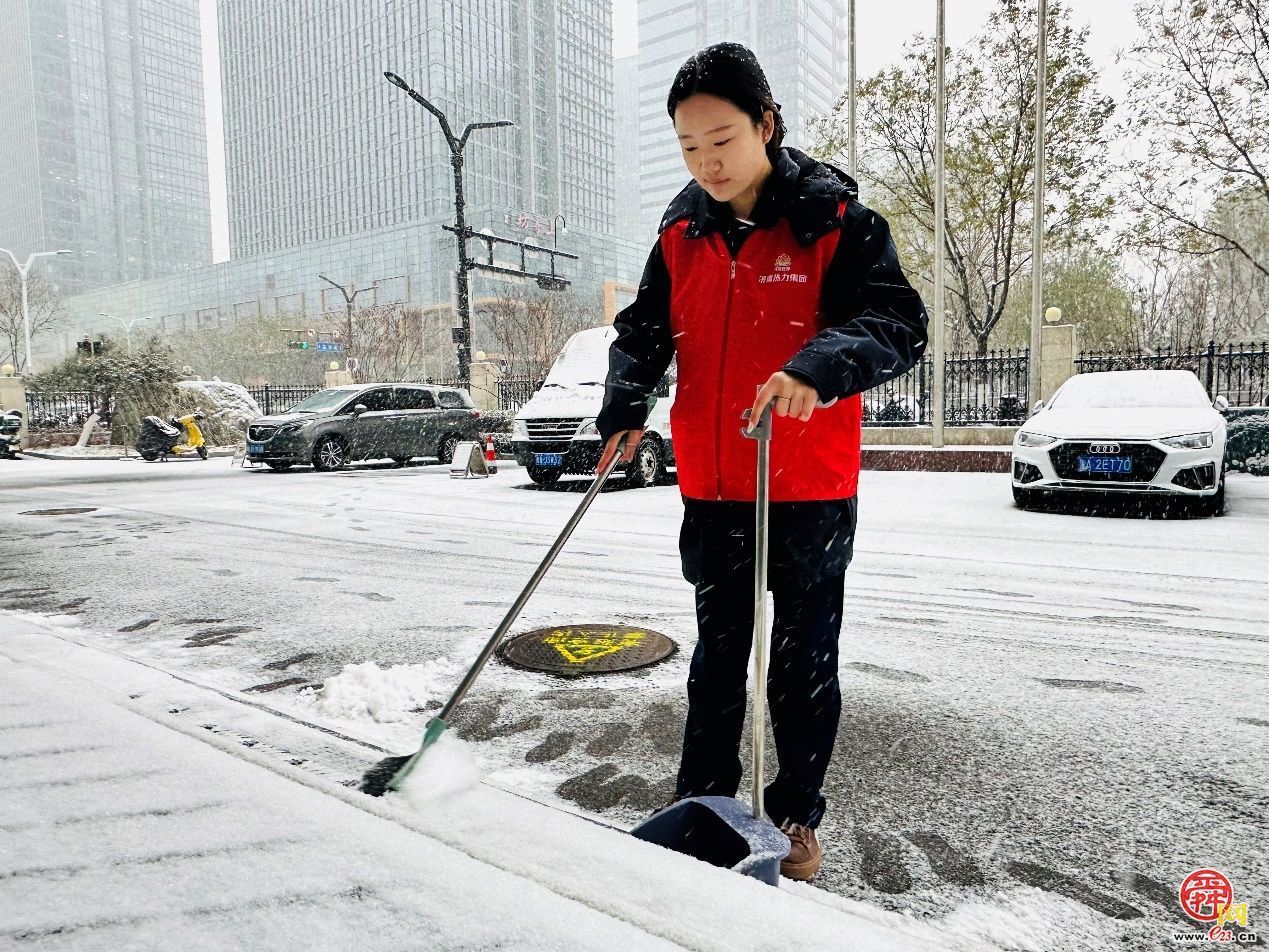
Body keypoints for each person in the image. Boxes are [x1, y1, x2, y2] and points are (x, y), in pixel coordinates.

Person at [594, 42, 928, 881]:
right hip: (712, 484)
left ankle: (794, 816)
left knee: (800, 669)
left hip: (805, 485)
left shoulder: (836, 223)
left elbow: (896, 325)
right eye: (689, 146)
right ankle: (702, 804)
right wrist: (624, 401)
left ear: (767, 125)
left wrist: (817, 367)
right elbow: (643, 329)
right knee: (716, 663)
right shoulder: (679, 231)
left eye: (723, 139)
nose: (707, 161)